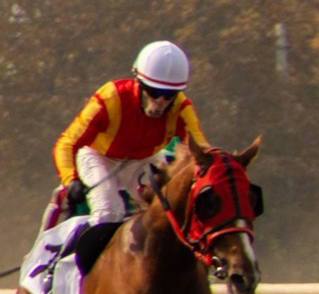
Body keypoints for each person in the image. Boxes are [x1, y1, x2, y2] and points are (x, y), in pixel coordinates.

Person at [52, 40, 207, 225]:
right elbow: (67, 143)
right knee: (109, 212)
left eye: (169, 95)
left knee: (169, 211)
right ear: (138, 82)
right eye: (153, 91)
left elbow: (201, 152)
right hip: (98, 158)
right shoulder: (110, 98)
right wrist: (71, 179)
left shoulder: (182, 108)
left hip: (142, 162)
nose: (160, 101)